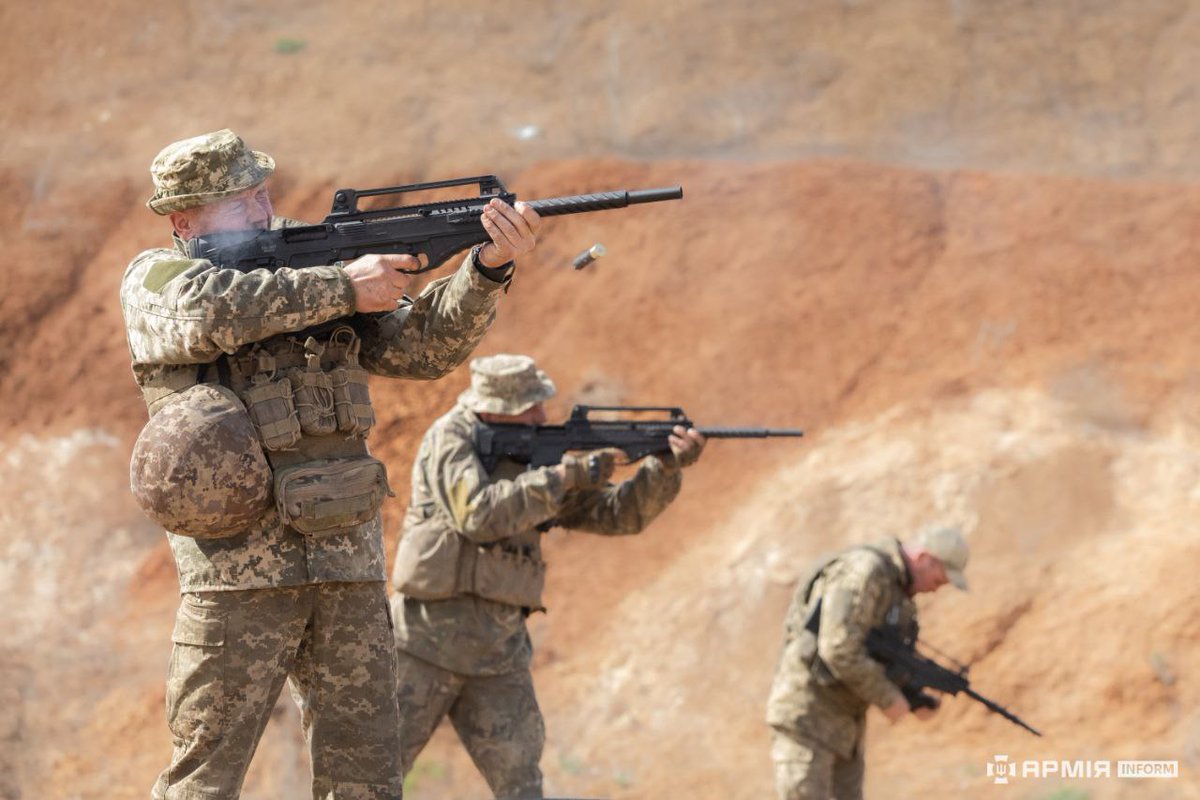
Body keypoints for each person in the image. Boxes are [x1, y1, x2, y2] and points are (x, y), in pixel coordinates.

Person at [120, 129, 542, 799]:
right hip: (237, 575)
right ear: (183, 219)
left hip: (346, 561)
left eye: (261, 194)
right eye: (237, 202)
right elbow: (211, 314)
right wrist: (343, 287)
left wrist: (486, 268)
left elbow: (422, 350)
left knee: (366, 780)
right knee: (205, 777)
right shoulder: (158, 278)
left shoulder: (310, 270)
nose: (259, 212)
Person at [388, 353, 706, 799]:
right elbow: (478, 514)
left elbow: (617, 515)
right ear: (491, 407)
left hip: (497, 655)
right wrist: (564, 476)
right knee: (372, 783)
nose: (541, 414)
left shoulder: (537, 451)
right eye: (529, 406)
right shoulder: (452, 438)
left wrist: (664, 468)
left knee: (522, 787)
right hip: (422, 645)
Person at [765, 525, 970, 800]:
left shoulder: (898, 593)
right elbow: (838, 648)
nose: (935, 590)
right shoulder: (865, 571)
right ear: (924, 559)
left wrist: (912, 695)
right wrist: (888, 698)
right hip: (808, 718)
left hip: (845, 727)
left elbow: (882, 657)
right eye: (938, 581)